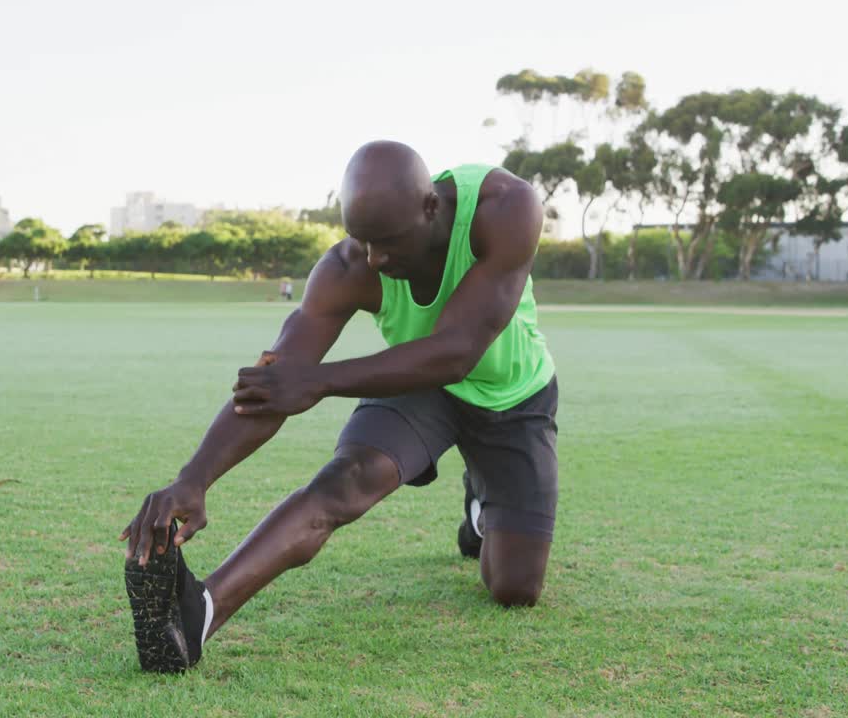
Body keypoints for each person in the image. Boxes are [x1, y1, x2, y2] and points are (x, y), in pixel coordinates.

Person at [120, 140, 558, 673]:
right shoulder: (348, 266)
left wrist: (320, 382)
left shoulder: (508, 207)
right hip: (419, 385)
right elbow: (277, 385)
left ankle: (479, 506)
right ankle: (200, 613)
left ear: (431, 209)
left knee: (515, 588)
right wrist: (194, 478)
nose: (376, 258)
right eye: (363, 240)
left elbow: (457, 351)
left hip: (511, 395)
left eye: (389, 242)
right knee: (347, 479)